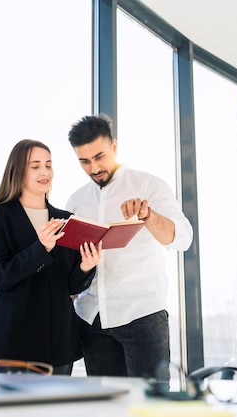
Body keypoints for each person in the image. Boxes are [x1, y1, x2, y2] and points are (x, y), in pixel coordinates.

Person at [65, 114, 193, 379]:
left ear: (114, 146)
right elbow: (69, 269)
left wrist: (149, 216)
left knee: (150, 405)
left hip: (142, 316)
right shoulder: (76, 202)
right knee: (108, 408)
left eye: (100, 156)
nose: (94, 168)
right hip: (92, 320)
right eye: (84, 161)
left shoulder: (149, 185)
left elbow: (182, 238)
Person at [0, 139, 101, 375]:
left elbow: (70, 286)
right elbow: (2, 278)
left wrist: (86, 267)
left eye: (48, 165)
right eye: (35, 166)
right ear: (18, 171)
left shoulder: (66, 219)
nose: (44, 172)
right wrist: (41, 248)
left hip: (58, 338)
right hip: (16, 337)